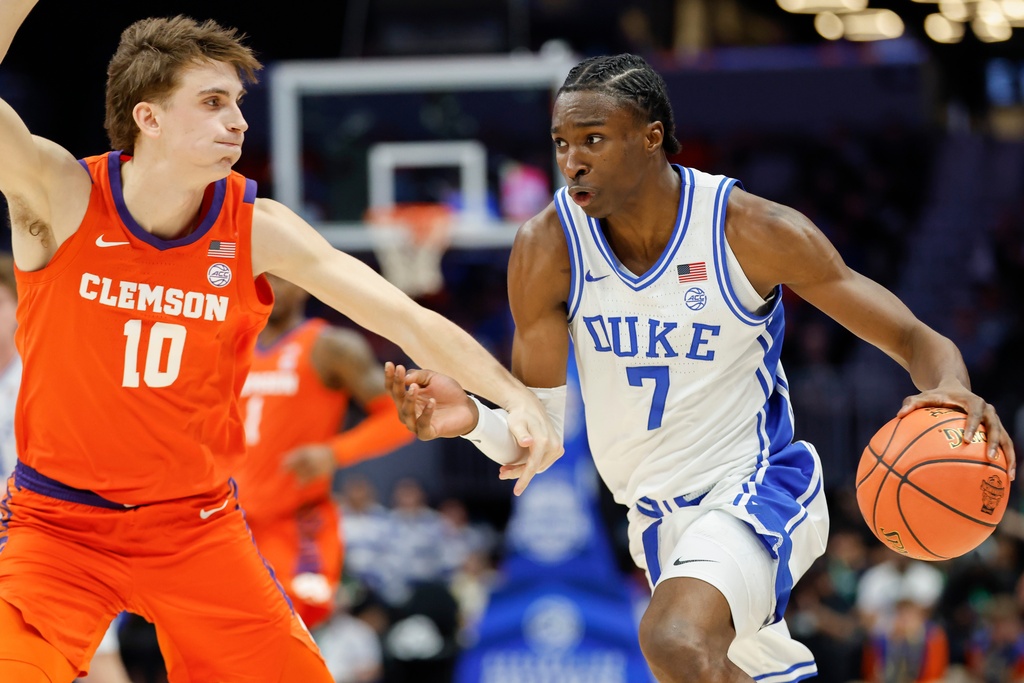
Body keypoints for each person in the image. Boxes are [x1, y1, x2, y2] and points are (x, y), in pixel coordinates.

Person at [385, 53, 1017, 683]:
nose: (572, 160)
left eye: (593, 140)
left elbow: (911, 336)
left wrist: (952, 387)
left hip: (757, 486)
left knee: (673, 639)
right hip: (657, 522)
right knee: (710, 662)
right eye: (561, 143)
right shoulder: (547, 246)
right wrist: (472, 419)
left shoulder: (750, 229)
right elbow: (539, 436)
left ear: (651, 137)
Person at [0, 4, 559, 682]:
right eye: (212, 102)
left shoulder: (256, 228)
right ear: (149, 117)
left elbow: (405, 318)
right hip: (59, 525)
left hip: (195, 528)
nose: (238, 120)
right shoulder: (60, 195)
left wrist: (514, 397)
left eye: (237, 102)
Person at [234, 273, 414, 631]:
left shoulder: (331, 347)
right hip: (229, 522)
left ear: (302, 283)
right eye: (260, 276)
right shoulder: (230, 344)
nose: (268, 286)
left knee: (290, 635)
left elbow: (402, 418)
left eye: (279, 278)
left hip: (298, 523)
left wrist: (334, 453)